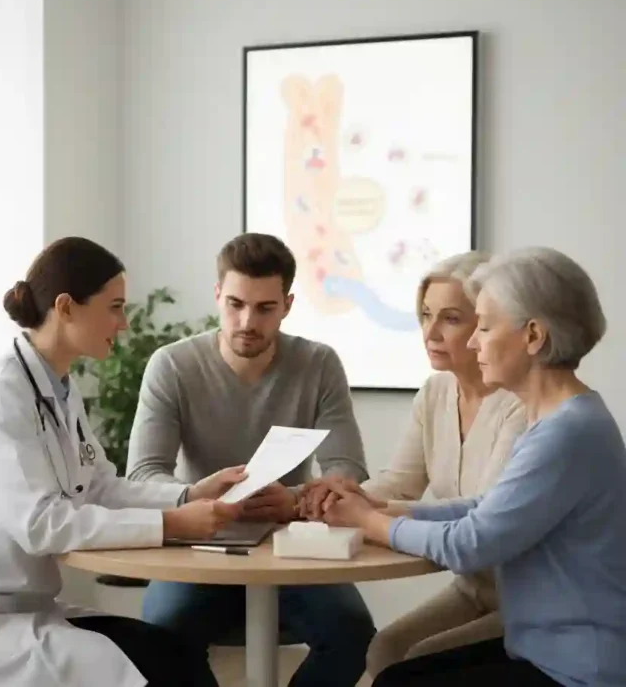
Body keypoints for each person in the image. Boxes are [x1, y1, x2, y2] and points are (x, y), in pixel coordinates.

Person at [0, 236, 252, 687]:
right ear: (66, 307)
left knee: (175, 656)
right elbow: (41, 523)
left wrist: (188, 493)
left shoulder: (59, 391)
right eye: (115, 306)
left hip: (23, 609)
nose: (123, 323)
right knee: (159, 673)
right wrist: (172, 523)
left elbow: (100, 486)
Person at [318, 246, 626, 687]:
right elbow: (488, 507)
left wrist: (369, 521)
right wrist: (387, 511)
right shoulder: (563, 418)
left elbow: (471, 543)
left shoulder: (566, 432)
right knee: (395, 666)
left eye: (483, 325)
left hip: (575, 669)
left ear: (533, 336)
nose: (474, 341)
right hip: (544, 650)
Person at [125, 232, 375, 687]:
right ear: (218, 294)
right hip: (197, 540)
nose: (246, 321)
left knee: (354, 636)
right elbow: (143, 474)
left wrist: (295, 501)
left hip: (290, 542)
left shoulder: (319, 365)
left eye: (264, 308)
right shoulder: (172, 365)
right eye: (235, 303)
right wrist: (196, 496)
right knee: (160, 638)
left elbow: (348, 471)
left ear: (288, 305)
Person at [300, 250, 527, 679]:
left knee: (418, 659)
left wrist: (369, 516)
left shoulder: (519, 403)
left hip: (524, 599)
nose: (431, 332)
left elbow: (485, 509)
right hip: (472, 587)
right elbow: (399, 485)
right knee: (385, 647)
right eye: (425, 315)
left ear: (484, 321)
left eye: (451, 318)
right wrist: (329, 495)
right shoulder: (435, 392)